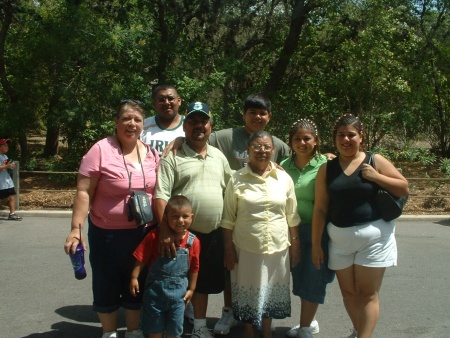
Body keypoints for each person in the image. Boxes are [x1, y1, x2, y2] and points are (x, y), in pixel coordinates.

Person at [163, 93, 290, 335]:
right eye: (252, 112)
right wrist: (179, 139)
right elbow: (199, 134)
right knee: (225, 269)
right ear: (243, 115)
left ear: (269, 117)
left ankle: (246, 312)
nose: (257, 117)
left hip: (252, 216)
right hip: (222, 217)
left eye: (262, 113)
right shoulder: (225, 137)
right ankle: (214, 315)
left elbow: (297, 159)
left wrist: (324, 157)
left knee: (242, 269)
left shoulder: (277, 143)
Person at [64, 99, 159, 338]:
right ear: (116, 122)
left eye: (137, 120)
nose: (132, 124)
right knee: (106, 282)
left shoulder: (151, 153)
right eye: (126, 118)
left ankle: (134, 330)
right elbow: (84, 192)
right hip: (106, 234)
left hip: (143, 232)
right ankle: (109, 332)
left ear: (143, 125)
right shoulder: (101, 150)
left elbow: (158, 192)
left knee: (137, 281)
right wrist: (76, 229)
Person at [311, 114, 409, 338]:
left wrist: (376, 177)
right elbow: (320, 209)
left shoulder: (375, 160)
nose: (346, 139)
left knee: (367, 294)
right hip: (339, 241)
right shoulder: (327, 169)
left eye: (351, 135)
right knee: (348, 293)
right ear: (334, 138)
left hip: (374, 238)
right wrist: (316, 245)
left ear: (361, 137)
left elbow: (403, 187)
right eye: (341, 135)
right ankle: (361, 331)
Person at [154, 102, 233, 338]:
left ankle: (199, 327)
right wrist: (165, 230)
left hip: (211, 235)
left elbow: (232, 188)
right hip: (181, 235)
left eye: (203, 121)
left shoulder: (219, 156)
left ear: (211, 125)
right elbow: (161, 195)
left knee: (203, 284)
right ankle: (169, 328)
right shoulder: (173, 155)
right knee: (173, 283)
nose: (199, 125)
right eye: (193, 121)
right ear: (184, 126)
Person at [221, 130, 301, 338]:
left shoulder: (284, 179)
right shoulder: (237, 179)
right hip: (246, 246)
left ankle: (267, 332)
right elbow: (228, 218)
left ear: (273, 151)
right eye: (256, 146)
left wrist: (296, 245)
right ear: (247, 150)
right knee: (247, 291)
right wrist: (228, 249)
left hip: (278, 246)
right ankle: (249, 332)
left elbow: (292, 215)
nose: (262, 151)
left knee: (270, 291)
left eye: (267, 147)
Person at [280, 119, 335, 338]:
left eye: (307, 138)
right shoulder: (282, 166)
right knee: (295, 276)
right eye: (297, 139)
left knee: (313, 276)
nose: (302, 143)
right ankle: (307, 322)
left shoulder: (327, 165)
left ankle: (305, 327)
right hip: (288, 231)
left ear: (316, 141)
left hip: (316, 230)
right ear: (290, 142)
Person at [130, 195, 200, 338]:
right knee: (154, 330)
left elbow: (194, 268)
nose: (180, 220)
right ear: (166, 217)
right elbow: (141, 257)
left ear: (192, 217)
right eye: (175, 216)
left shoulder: (193, 242)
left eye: (185, 216)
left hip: (179, 299)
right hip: (155, 296)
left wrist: (192, 289)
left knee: (174, 331)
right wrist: (134, 277)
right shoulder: (155, 236)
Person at [141, 85, 185, 155]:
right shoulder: (143, 126)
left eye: (171, 98)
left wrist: (184, 140)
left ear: (179, 101)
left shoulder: (190, 125)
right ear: (154, 104)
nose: (167, 102)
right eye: (161, 100)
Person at [0, 138, 22, 220]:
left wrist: (11, 166)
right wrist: (6, 166)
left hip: (7, 181)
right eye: (5, 145)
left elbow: (7, 167)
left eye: (7, 145)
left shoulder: (5, 156)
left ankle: (12, 214)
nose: (7, 147)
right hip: (1, 182)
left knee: (11, 196)